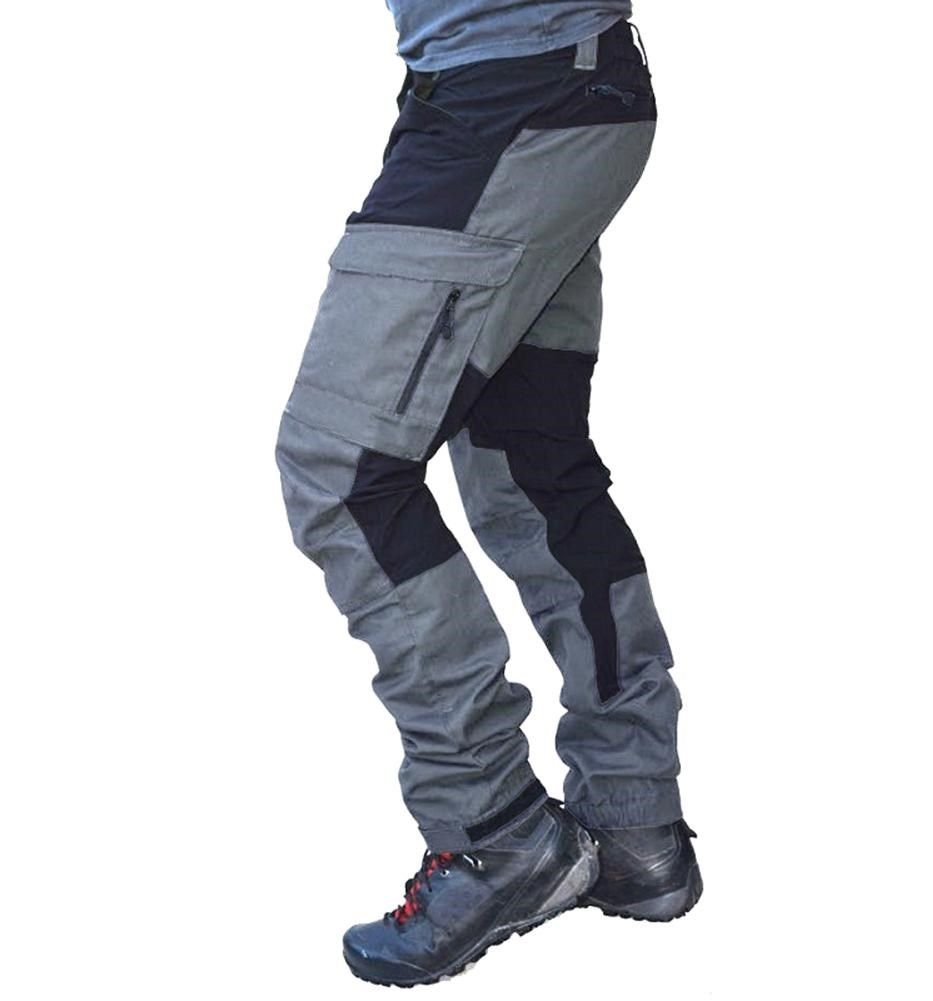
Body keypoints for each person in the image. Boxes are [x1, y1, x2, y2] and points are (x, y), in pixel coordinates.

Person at [275, 1, 701, 986]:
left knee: (341, 468)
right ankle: (633, 821)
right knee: (527, 463)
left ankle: (497, 832)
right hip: (547, 91)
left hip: (517, 92)